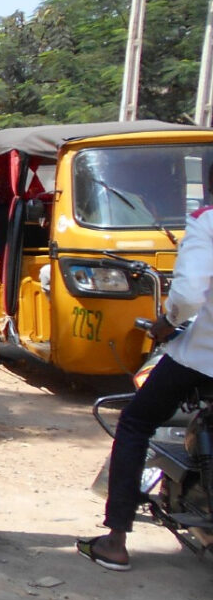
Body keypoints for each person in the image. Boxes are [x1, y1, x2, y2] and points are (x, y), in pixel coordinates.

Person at [78, 170, 213, 570]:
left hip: (203, 355)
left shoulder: (207, 219)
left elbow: (188, 295)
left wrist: (166, 324)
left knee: (136, 422)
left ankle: (115, 540)